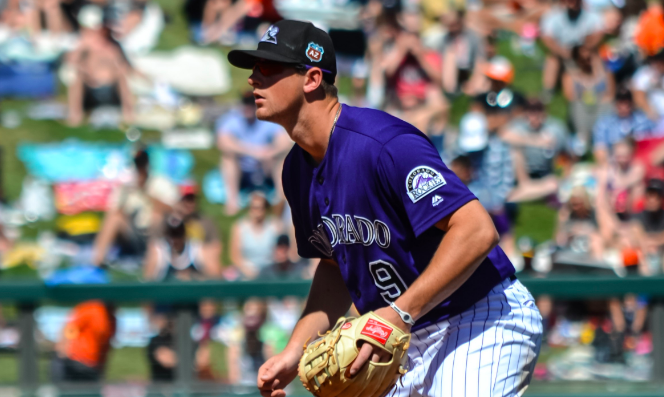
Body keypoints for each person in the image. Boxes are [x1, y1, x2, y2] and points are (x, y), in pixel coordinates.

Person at [226, 19, 542, 397]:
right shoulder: (297, 170)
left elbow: (477, 230)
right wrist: (295, 350)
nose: (253, 79)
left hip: (478, 315)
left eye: (268, 68)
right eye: (253, 69)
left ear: (311, 79)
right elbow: (333, 265)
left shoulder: (382, 143)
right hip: (403, 333)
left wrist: (399, 314)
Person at [92, 149, 179, 266]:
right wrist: (125, 194)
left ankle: (153, 263)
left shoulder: (161, 182)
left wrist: (145, 192)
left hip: (156, 231)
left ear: (147, 164)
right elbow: (115, 209)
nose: (140, 169)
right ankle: (97, 262)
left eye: (142, 164)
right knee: (114, 218)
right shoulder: (126, 185)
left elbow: (172, 209)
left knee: (157, 216)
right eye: (137, 165)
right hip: (133, 231)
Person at [216, 91, 292, 215]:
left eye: (252, 104)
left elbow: (285, 143)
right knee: (228, 158)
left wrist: (270, 152)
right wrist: (252, 151)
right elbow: (222, 142)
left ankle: (281, 199)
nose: (248, 108)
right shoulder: (233, 119)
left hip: (265, 166)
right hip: (242, 168)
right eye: (246, 104)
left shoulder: (267, 117)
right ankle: (232, 201)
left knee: (280, 158)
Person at [66, 4, 134, 126]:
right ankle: (75, 111)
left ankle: (127, 108)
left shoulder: (111, 45)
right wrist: (82, 48)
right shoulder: (82, 42)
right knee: (75, 76)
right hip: (89, 84)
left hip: (110, 84)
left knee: (120, 73)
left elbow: (123, 68)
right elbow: (70, 63)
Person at [503, 99, 568, 202]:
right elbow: (504, 135)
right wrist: (536, 141)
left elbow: (568, 154)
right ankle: (527, 188)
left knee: (553, 185)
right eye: (531, 111)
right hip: (521, 175)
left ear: (544, 112)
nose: (534, 115)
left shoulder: (555, 128)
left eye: (538, 110)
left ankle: (513, 196)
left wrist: (565, 175)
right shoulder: (518, 124)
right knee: (515, 151)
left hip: (544, 173)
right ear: (525, 113)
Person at [540, 0, 604, 101]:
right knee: (552, 59)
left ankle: (600, 84)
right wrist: (561, 50)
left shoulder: (591, 15)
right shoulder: (553, 16)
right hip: (562, 51)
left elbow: (598, 34)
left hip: (582, 51)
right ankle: (548, 90)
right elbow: (547, 38)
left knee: (594, 55)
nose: (573, 4)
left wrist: (586, 46)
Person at [562, 44, 615, 147]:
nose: (587, 61)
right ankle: (583, 138)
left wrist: (598, 69)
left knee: (608, 105)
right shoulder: (570, 77)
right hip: (583, 112)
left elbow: (610, 96)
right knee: (577, 105)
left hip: (600, 111)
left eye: (590, 57)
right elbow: (570, 98)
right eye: (584, 59)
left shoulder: (607, 74)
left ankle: (603, 137)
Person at [143, 215, 222, 281]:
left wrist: (193, 277)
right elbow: (147, 284)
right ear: (165, 235)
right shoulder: (158, 252)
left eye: (178, 235)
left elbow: (216, 279)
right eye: (171, 235)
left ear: (184, 235)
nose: (174, 240)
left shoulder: (197, 250)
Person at [53, 300, 116, 382]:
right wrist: (63, 350)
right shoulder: (92, 308)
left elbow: (106, 344)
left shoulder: (111, 316)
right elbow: (70, 328)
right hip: (76, 361)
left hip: (93, 367)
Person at [592, 88, 656, 166]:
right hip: (613, 165)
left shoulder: (643, 121)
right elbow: (599, 149)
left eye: (627, 104)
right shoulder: (604, 123)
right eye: (620, 104)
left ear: (632, 104)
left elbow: (652, 146)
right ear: (615, 104)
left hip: (639, 164)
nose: (623, 107)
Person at [229, 192, 283, 279]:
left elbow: (281, 251)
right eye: (254, 208)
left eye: (261, 208)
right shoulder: (239, 227)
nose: (258, 211)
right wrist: (246, 270)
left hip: (270, 269)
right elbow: (235, 255)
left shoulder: (275, 226)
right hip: (246, 270)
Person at [440, 9, 486, 95]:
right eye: (450, 25)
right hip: (453, 71)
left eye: (455, 24)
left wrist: (473, 80)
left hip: (470, 69)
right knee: (450, 54)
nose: (453, 27)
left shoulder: (473, 37)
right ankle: (450, 93)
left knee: (481, 69)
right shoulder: (446, 39)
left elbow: (480, 59)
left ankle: (473, 93)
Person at [631, 178, 664, 275]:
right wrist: (656, 240)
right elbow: (637, 237)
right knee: (638, 254)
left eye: (656, 196)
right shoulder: (638, 216)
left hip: (661, 254)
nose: (652, 199)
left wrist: (650, 241)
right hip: (644, 256)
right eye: (650, 195)